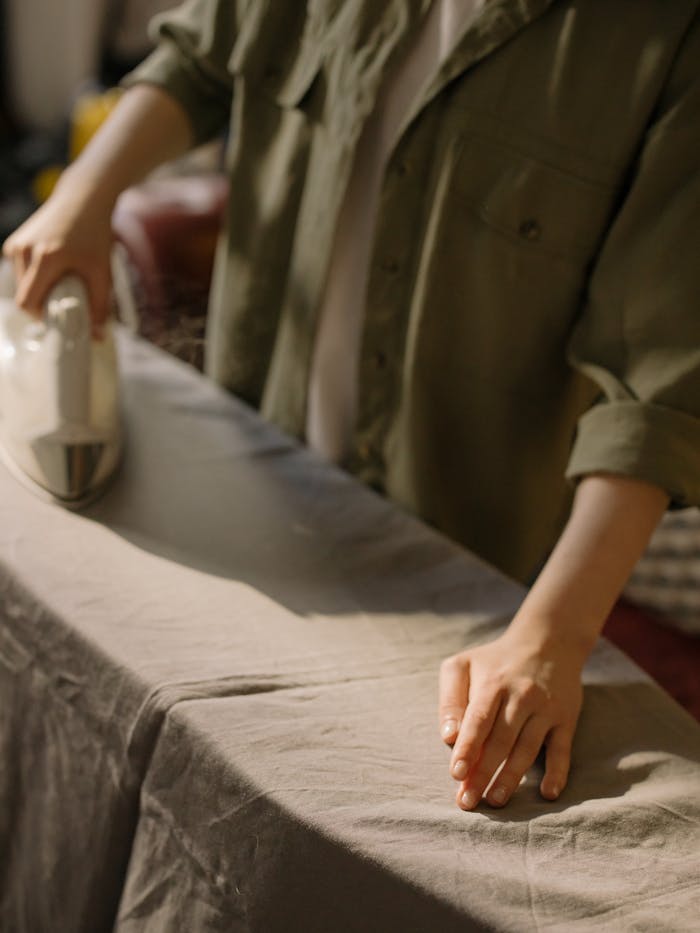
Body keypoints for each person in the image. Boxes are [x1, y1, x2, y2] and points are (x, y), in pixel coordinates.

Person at [4, 0, 700, 813]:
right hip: (250, 463)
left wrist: (553, 636)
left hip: (460, 559)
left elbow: (653, 384)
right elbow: (202, 57)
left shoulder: (667, 34)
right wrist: (86, 194)